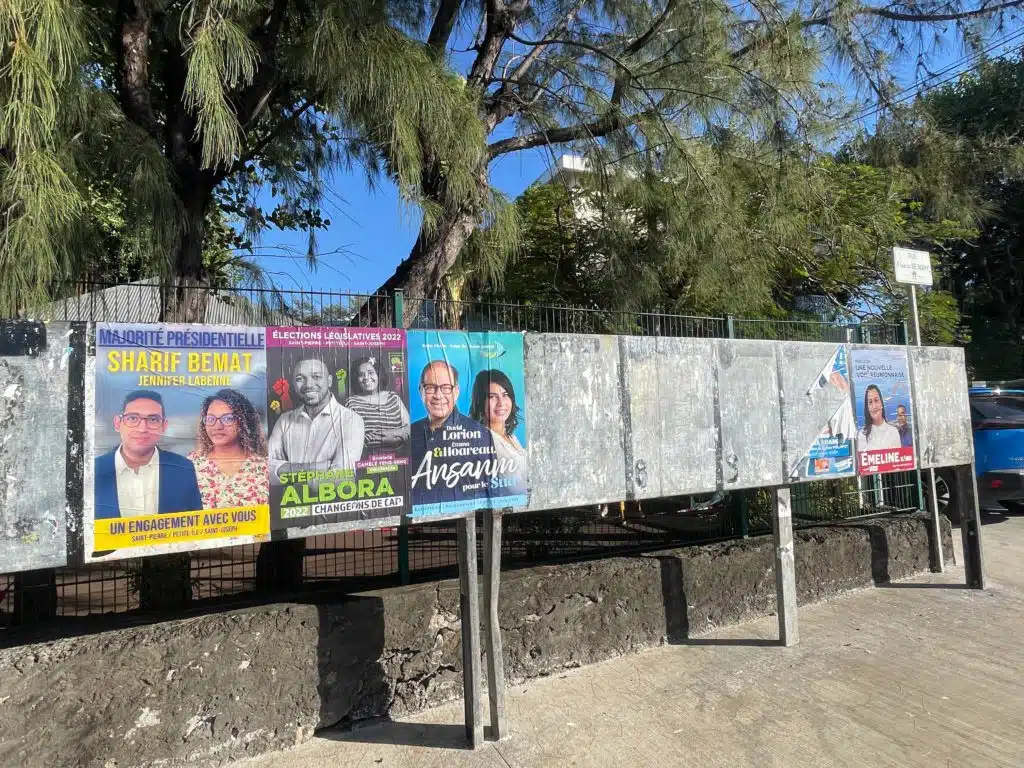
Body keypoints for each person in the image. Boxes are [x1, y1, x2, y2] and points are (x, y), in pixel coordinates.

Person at [94, 390, 203, 520]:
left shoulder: (183, 469)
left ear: (164, 426)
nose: (142, 429)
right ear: (118, 423)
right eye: (133, 418)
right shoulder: (93, 470)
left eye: (153, 419)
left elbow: (195, 529)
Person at [410, 360, 494, 506]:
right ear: (420, 391)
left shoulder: (480, 435)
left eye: (446, 388)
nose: (438, 395)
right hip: (417, 522)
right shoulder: (409, 434)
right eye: (430, 387)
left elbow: (489, 491)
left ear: (456, 391)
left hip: (461, 518)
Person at [268, 358, 364, 482]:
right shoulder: (284, 420)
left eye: (316, 377)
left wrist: (283, 468)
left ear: (329, 381)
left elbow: (342, 478)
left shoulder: (351, 420)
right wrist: (319, 467)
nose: (308, 385)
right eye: (300, 379)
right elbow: (262, 469)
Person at [188, 388, 269, 509]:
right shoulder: (189, 466)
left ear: (243, 421)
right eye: (211, 419)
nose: (217, 426)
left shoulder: (264, 467)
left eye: (228, 418)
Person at [469, 369, 527, 487]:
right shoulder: (483, 443)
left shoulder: (508, 435)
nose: (501, 403)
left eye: (505, 395)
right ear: (480, 402)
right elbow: (516, 489)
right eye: (492, 396)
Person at [345, 355, 410, 457]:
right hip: (368, 460)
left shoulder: (393, 397)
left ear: (379, 375)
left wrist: (392, 436)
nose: (366, 378)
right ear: (356, 379)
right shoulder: (351, 403)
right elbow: (351, 438)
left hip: (400, 458)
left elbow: (409, 427)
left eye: (371, 373)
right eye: (361, 375)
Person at [857, 384, 902, 451]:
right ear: (867, 407)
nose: (874, 406)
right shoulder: (862, 435)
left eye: (876, 400)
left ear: (881, 403)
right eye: (870, 402)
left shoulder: (893, 432)